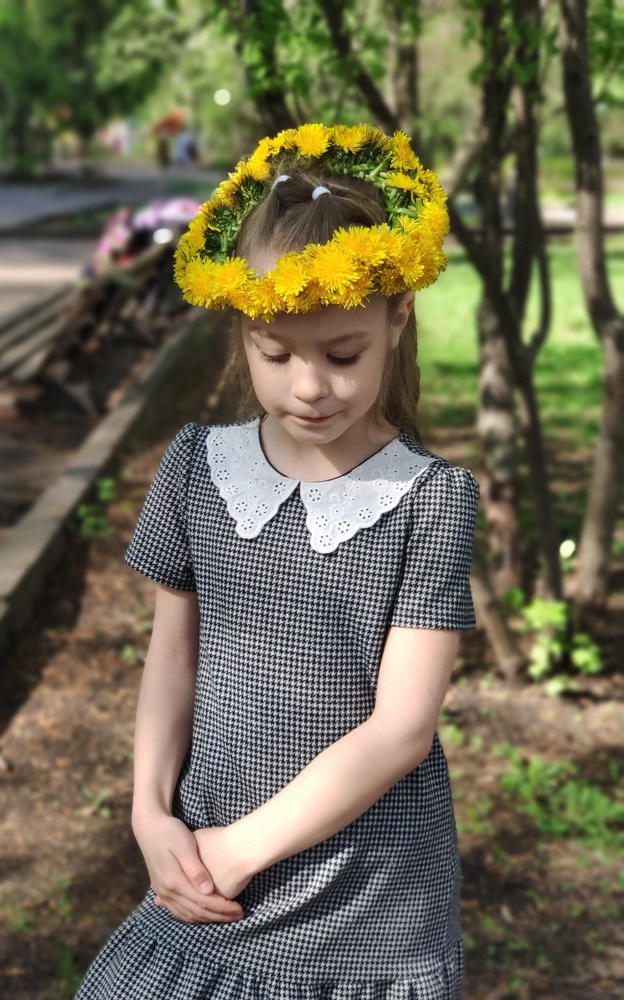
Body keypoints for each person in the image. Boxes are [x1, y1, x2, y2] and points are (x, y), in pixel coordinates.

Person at [75, 123, 478, 1000]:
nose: (309, 385)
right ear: (243, 334)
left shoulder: (430, 499)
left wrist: (239, 851)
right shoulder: (197, 465)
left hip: (362, 908)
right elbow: (173, 655)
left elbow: (402, 728)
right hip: (205, 866)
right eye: (277, 353)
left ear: (397, 318)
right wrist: (150, 814)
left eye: (343, 355)